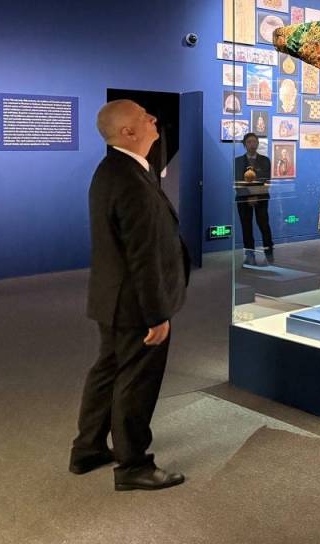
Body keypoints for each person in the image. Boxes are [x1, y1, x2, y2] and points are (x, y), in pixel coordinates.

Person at [70, 100, 189, 491]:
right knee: (136, 382)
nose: (153, 119)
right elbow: (142, 253)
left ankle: (88, 449)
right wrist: (157, 314)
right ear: (128, 132)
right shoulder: (128, 177)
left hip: (114, 298)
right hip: (135, 304)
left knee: (108, 371)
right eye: (143, 116)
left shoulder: (119, 170)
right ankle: (133, 465)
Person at [235, 132, 274, 266]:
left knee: (264, 225)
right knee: (246, 227)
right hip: (243, 199)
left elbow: (266, 181)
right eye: (249, 142)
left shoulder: (265, 160)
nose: (252, 144)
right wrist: (249, 196)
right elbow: (237, 181)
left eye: (254, 142)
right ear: (244, 145)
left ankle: (269, 255)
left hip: (261, 198)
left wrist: (255, 196)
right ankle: (250, 256)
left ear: (258, 143)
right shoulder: (238, 161)